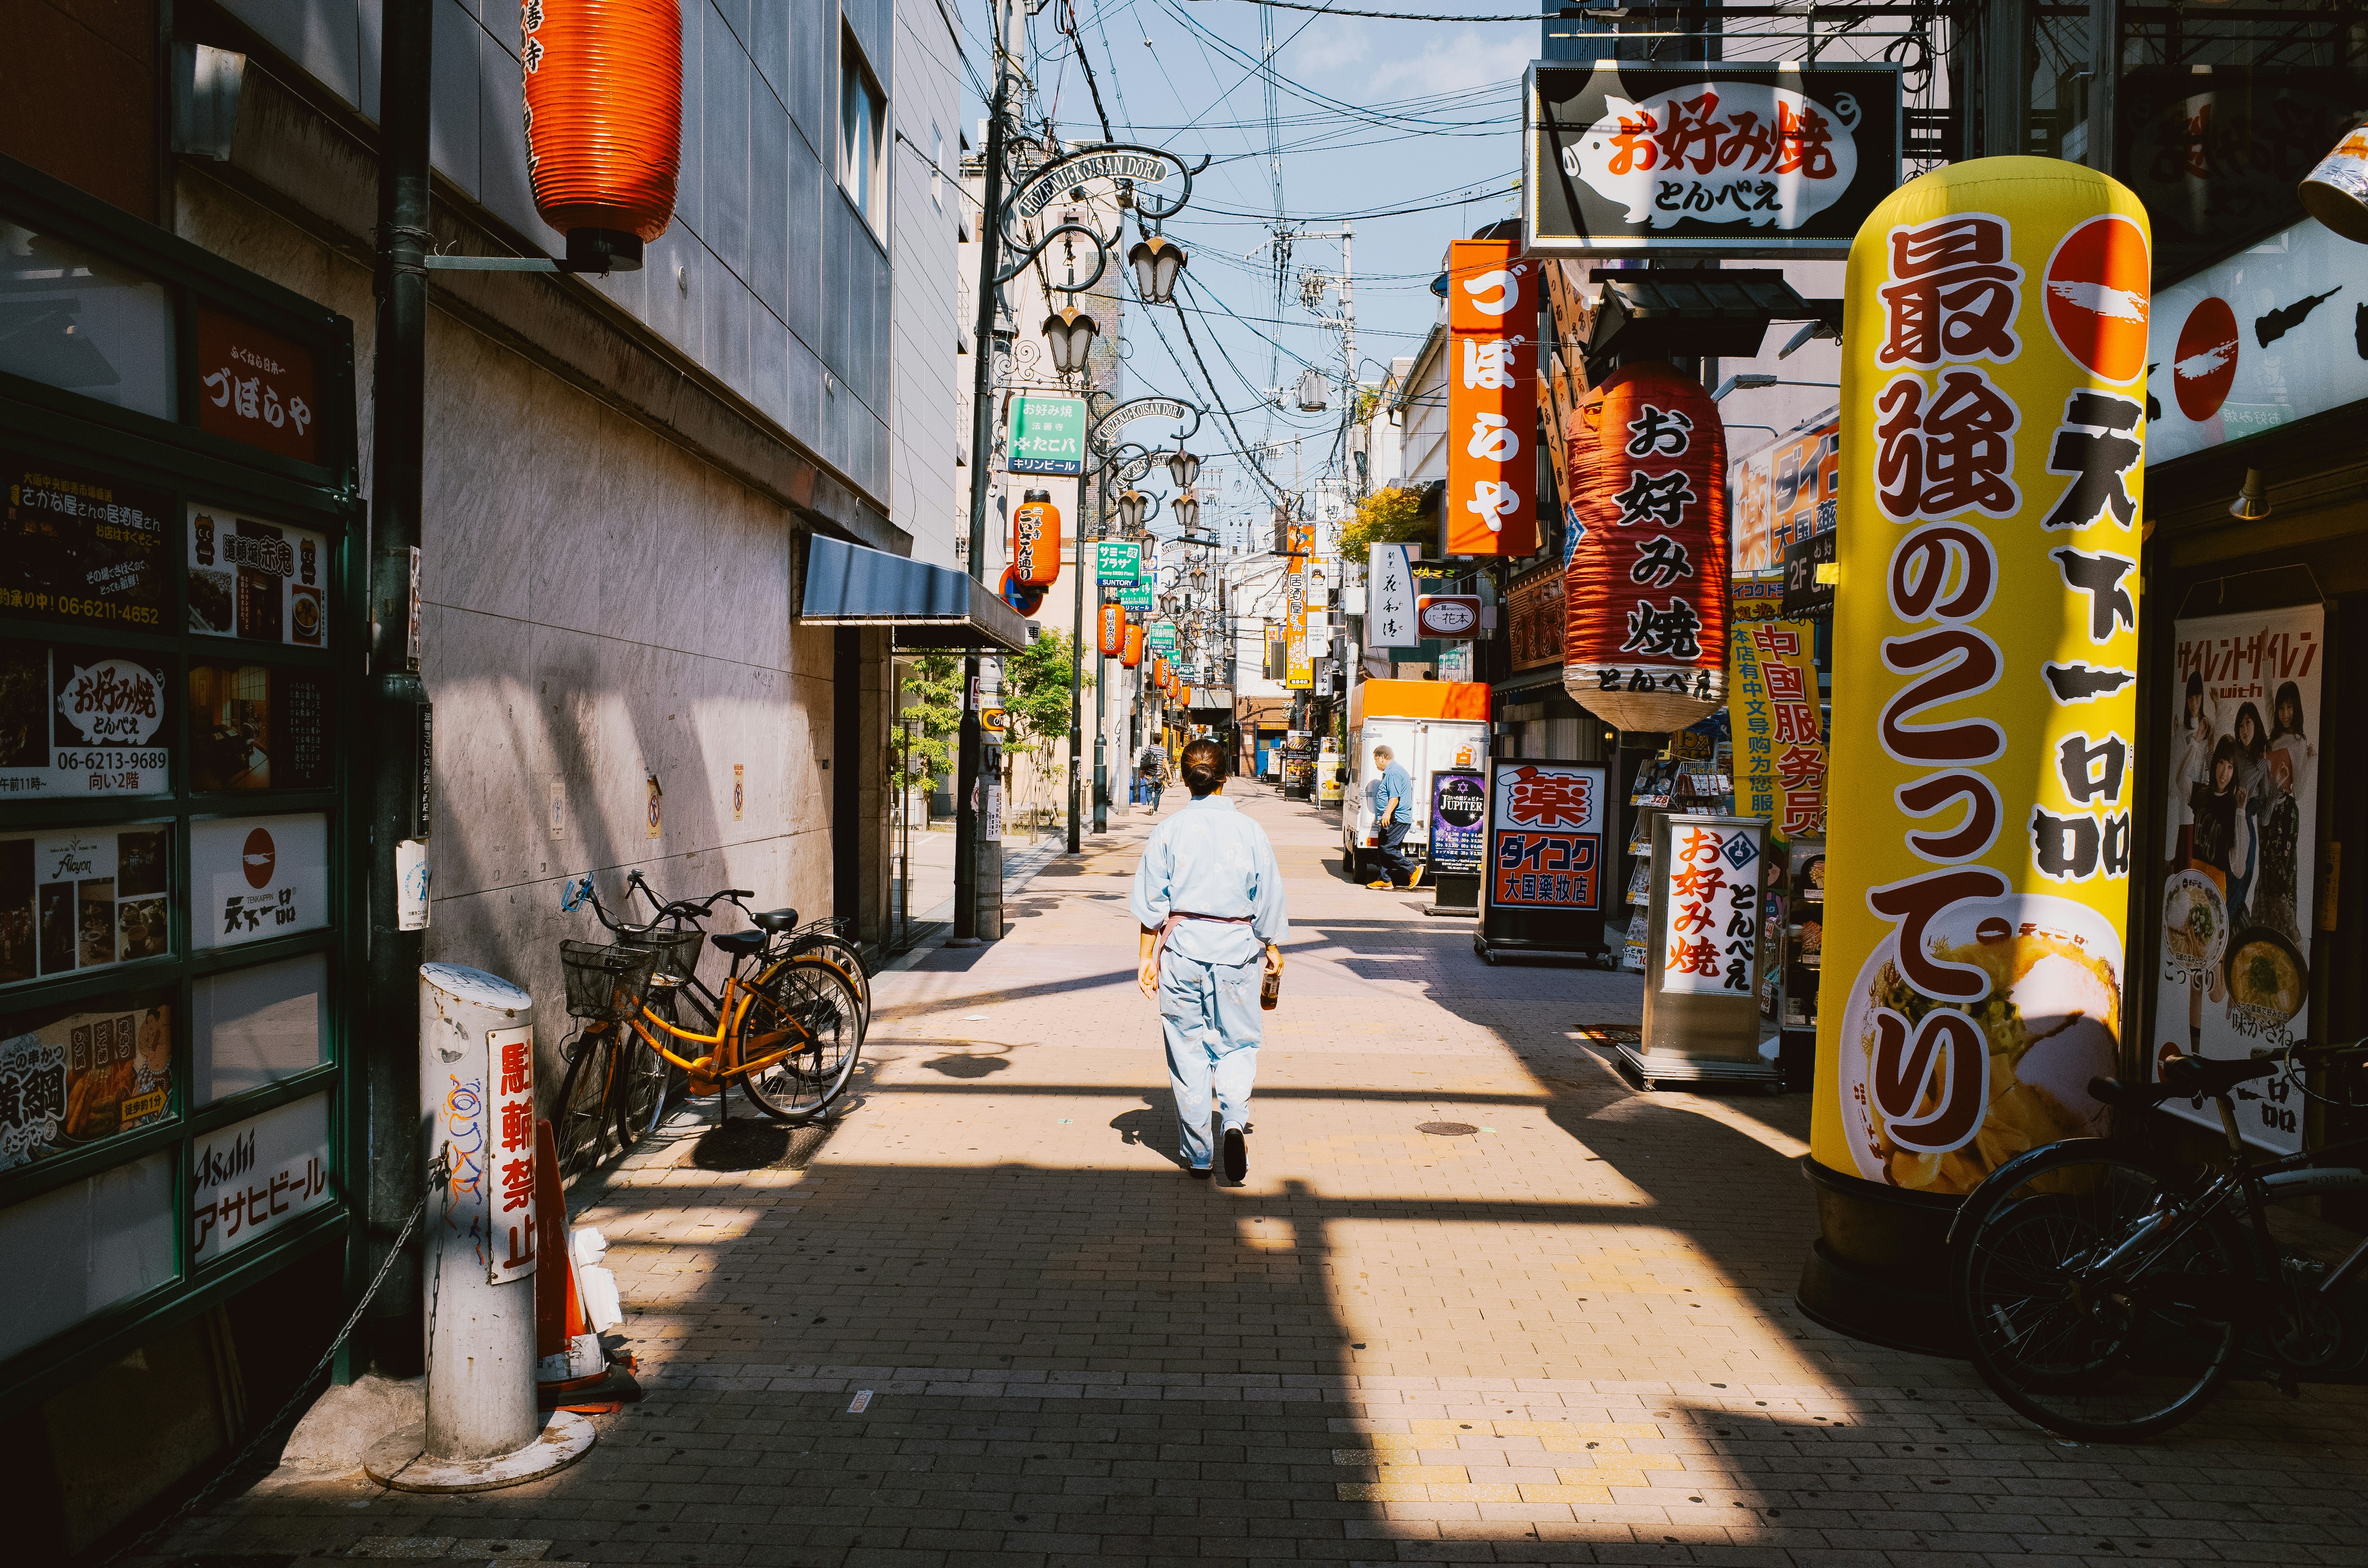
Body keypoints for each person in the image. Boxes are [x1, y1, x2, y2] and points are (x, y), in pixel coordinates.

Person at [1130, 738, 1288, 1184]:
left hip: (1182, 949)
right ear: (1225, 777)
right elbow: (1268, 896)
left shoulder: (1169, 830)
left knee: (1187, 1049)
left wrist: (1146, 959)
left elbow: (1150, 904)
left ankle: (1199, 1155)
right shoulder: (1250, 830)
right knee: (1237, 1043)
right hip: (1237, 949)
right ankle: (1234, 1120)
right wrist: (1272, 945)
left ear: (1183, 779)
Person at [1364, 744, 1422, 890]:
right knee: (1382, 848)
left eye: (1376, 759)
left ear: (1382, 758)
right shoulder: (1391, 771)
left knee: (1388, 848)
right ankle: (1385, 879)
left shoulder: (1394, 772)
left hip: (1398, 818)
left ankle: (1412, 870)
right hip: (1391, 818)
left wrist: (1387, 813)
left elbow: (1395, 797)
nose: (1376, 763)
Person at [1137, 742, 1167, 812]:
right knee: (1158, 792)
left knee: (1148, 791)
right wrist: (1170, 776)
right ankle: (1155, 810)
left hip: (1149, 774)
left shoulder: (1148, 748)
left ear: (1153, 739)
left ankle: (1150, 802)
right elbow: (1165, 762)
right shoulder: (1163, 750)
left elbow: (1144, 760)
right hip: (1159, 774)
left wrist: (1142, 772)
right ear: (1160, 741)